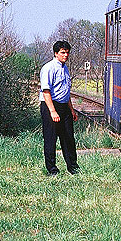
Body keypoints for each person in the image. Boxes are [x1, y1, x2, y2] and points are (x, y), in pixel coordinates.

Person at [40, 40, 79, 175]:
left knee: (68, 138)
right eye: (63, 53)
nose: (65, 55)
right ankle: (52, 169)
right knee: (50, 139)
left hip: (64, 106)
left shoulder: (65, 68)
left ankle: (73, 167)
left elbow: (65, 91)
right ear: (56, 53)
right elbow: (46, 91)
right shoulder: (48, 68)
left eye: (67, 53)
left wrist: (72, 110)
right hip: (51, 106)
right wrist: (52, 111)